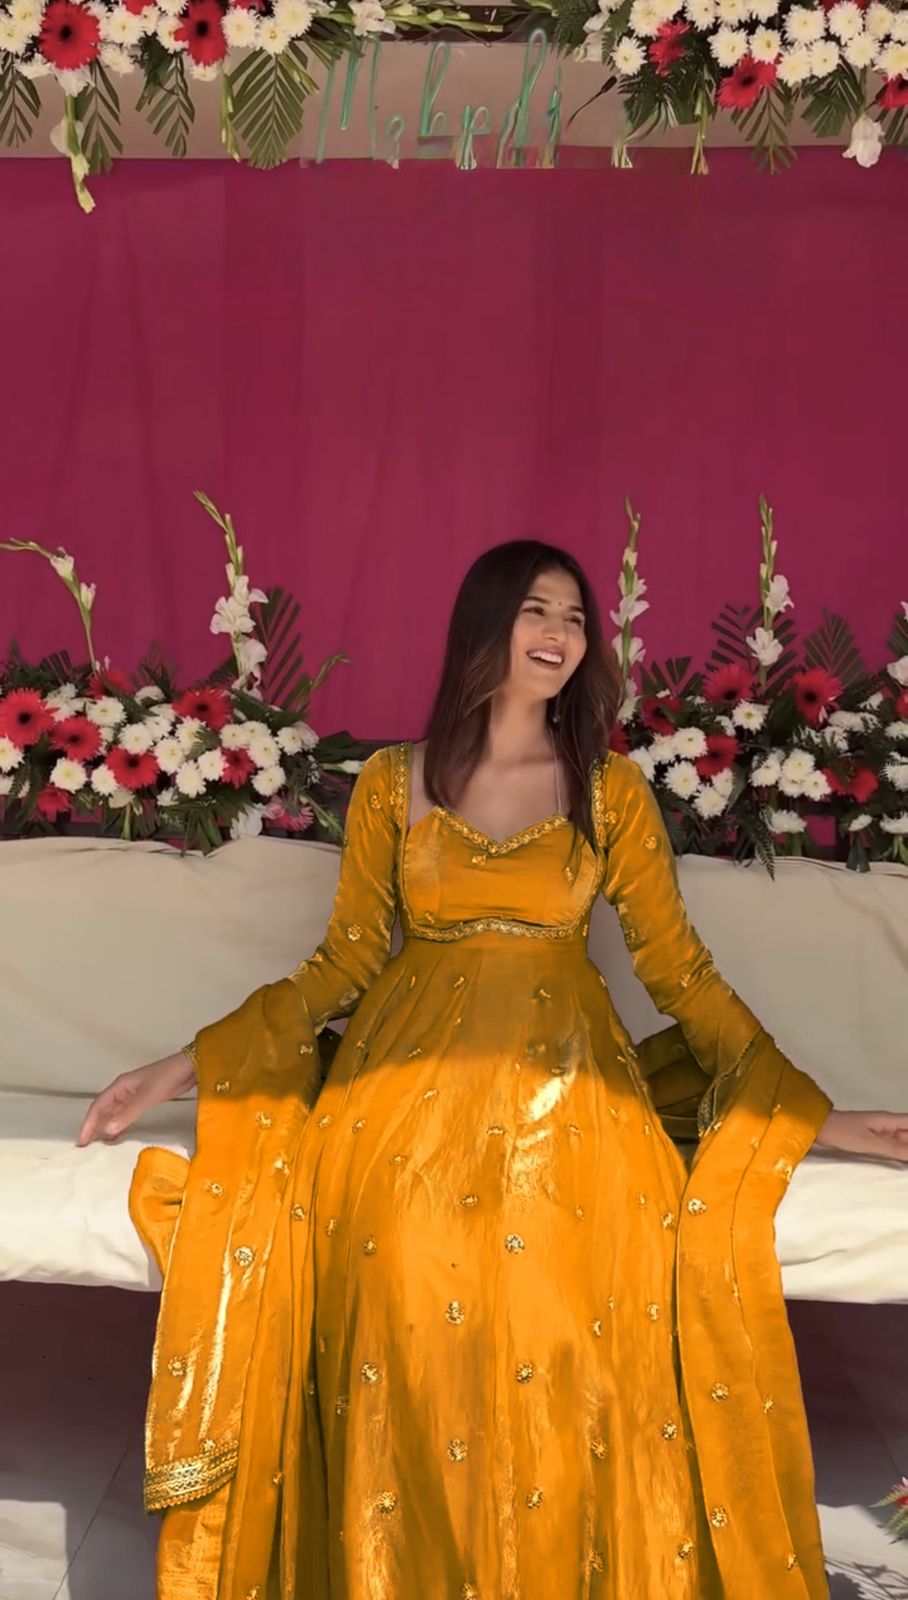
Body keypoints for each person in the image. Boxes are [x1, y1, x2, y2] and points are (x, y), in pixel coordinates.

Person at [79, 540, 908, 1600]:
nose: (560, 634)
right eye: (536, 611)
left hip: (575, 1085)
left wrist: (816, 1115)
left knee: (576, 1278)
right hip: (399, 1088)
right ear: (485, 625)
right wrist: (182, 1064)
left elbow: (679, 971)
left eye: (575, 617)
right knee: (396, 1265)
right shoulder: (393, 783)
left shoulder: (608, 791)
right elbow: (342, 962)